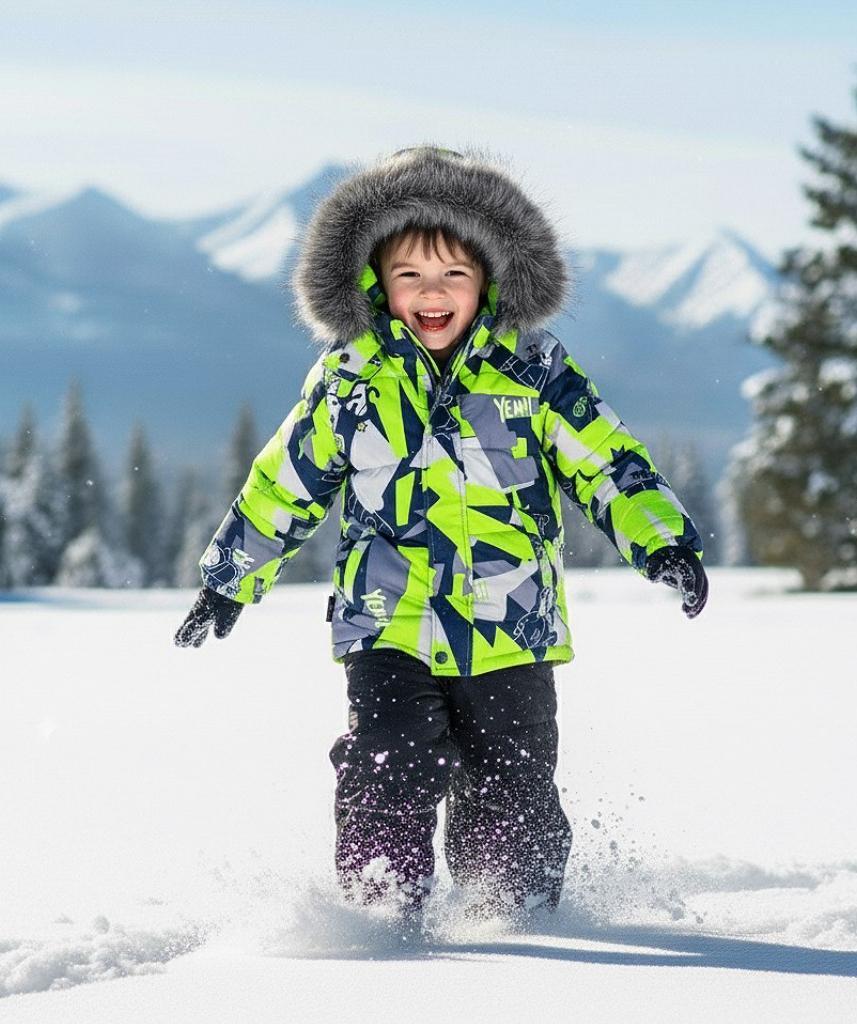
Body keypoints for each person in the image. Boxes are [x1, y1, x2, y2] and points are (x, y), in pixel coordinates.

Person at [174, 145, 708, 921]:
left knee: (512, 789)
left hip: (510, 624)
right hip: (388, 621)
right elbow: (285, 481)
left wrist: (662, 541)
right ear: (373, 282)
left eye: (454, 272)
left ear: (489, 279)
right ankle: (378, 913)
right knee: (384, 767)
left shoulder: (533, 371)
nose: (432, 291)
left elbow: (604, 462)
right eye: (409, 274)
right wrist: (229, 578)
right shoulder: (350, 380)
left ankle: (516, 916)